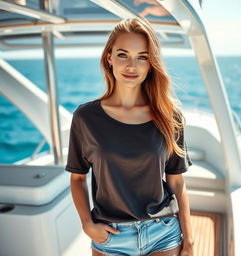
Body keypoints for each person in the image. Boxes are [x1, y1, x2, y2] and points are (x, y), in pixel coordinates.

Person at [65, 17, 194, 256]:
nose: (131, 66)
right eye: (123, 55)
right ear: (109, 58)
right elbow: (78, 179)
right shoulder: (85, 118)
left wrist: (189, 241)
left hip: (162, 232)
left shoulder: (169, 116)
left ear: (151, 64)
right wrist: (87, 225)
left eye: (142, 57)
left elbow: (176, 182)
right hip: (110, 236)